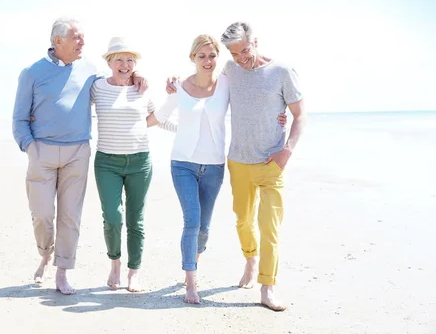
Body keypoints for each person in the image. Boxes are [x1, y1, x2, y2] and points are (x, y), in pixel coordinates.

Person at [11, 18, 147, 295]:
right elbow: (19, 118)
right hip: (42, 152)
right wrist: (30, 148)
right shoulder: (32, 73)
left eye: (83, 37)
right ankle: (45, 253)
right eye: (77, 38)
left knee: (70, 216)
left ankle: (62, 272)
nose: (83, 43)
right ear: (58, 41)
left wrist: (136, 77)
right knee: (42, 215)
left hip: (78, 153)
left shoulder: (89, 71)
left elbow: (115, 83)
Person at [155, 35, 288, 304]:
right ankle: (191, 282)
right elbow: (158, 119)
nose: (207, 61)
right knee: (192, 221)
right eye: (201, 56)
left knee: (204, 228)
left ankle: (197, 260)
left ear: (218, 58)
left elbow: (255, 100)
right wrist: (180, 129)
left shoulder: (227, 82)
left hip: (215, 164)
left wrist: (280, 117)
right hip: (183, 162)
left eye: (212, 56)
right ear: (192, 58)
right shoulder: (180, 86)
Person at [220, 21, 306, 311]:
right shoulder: (230, 71)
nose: (242, 59)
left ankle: (267, 287)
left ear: (255, 41)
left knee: (270, 227)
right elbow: (205, 89)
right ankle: (250, 258)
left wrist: (287, 151)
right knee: (243, 221)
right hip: (238, 161)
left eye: (245, 50)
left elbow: (300, 115)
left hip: (271, 162)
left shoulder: (282, 71)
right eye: (235, 55)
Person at [90, 37, 176, 292]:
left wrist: (186, 130)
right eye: (119, 59)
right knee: (113, 217)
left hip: (140, 162)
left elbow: (153, 119)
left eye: (130, 60)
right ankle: (115, 263)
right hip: (107, 162)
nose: (125, 65)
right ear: (109, 62)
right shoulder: (97, 87)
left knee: (135, 220)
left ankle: (133, 273)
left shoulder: (142, 89)